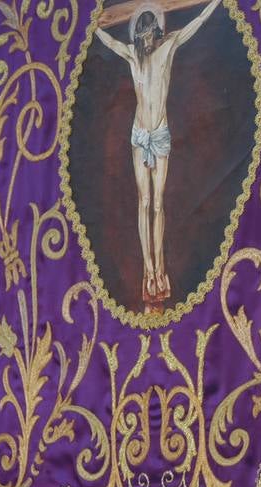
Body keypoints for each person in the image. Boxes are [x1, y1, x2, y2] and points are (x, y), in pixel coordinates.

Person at [96, 0, 220, 312]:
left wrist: (214, 4)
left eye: (150, 31)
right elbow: (108, 40)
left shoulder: (168, 49)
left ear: (156, 30)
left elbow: (197, 24)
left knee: (159, 203)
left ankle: (159, 272)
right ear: (139, 34)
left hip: (160, 133)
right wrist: (91, 27)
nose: (146, 37)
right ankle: (147, 271)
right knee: (145, 201)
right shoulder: (133, 57)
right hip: (139, 134)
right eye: (142, 32)